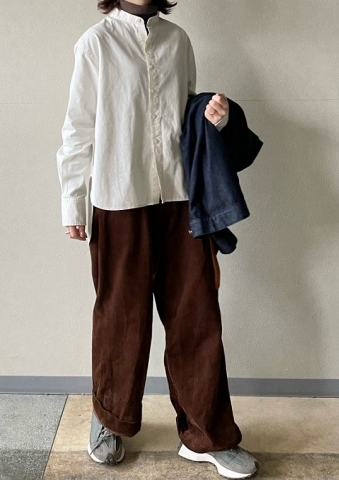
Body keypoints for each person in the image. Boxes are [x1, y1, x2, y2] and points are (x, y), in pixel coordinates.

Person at [56, 0, 259, 477]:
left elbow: (186, 117)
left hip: (180, 198)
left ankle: (207, 434)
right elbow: (78, 128)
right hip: (117, 198)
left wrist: (215, 117)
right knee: (120, 317)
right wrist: (73, 201)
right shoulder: (96, 43)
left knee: (197, 315)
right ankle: (110, 420)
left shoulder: (178, 40)